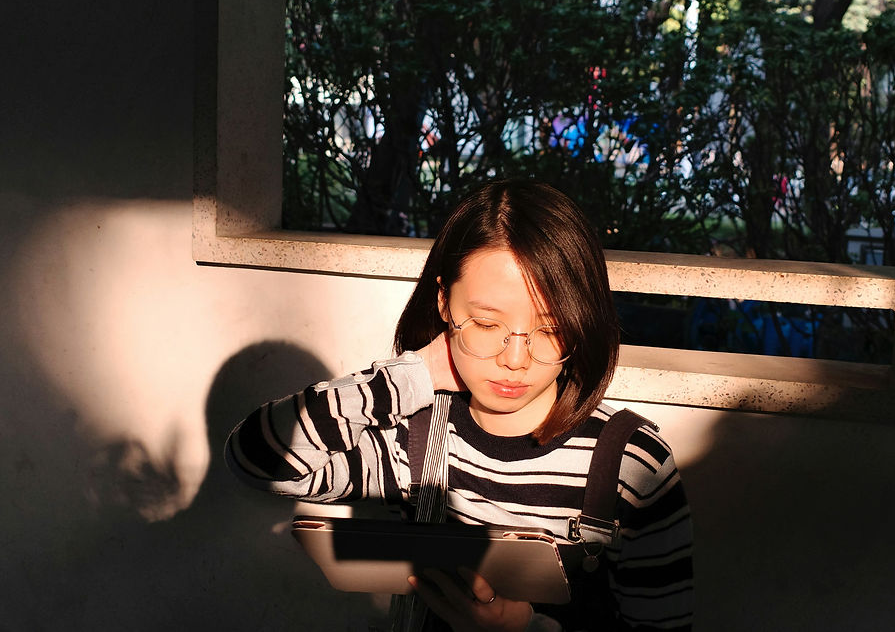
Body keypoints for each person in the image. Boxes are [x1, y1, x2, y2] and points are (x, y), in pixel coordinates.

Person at [225, 179, 694, 631]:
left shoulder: (630, 463)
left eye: (550, 330)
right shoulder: (415, 439)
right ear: (445, 302)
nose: (515, 360)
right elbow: (258, 460)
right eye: (487, 324)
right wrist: (417, 374)